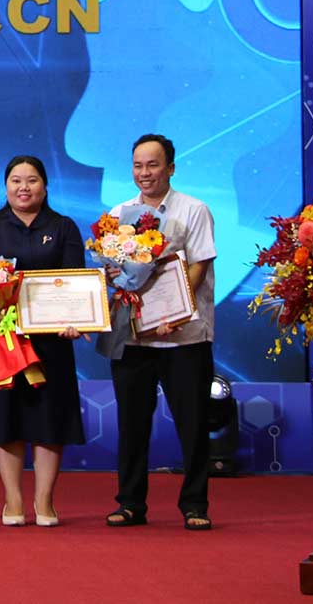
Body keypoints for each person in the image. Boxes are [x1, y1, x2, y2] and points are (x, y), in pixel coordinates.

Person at [101, 133, 218, 531]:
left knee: (192, 422)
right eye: (138, 165)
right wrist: (110, 275)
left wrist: (176, 312)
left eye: (153, 165)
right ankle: (130, 503)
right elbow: (113, 271)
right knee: (132, 423)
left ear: (170, 168)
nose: (145, 173)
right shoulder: (119, 213)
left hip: (183, 336)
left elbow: (199, 264)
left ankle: (195, 504)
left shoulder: (194, 210)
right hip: (134, 336)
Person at [0, 155, 86, 527]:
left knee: (49, 417)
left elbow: (75, 282)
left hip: (51, 341)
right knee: (6, 416)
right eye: (16, 180)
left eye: (32, 180)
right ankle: (13, 499)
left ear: (45, 186)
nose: (23, 187)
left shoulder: (63, 227)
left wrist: (76, 319)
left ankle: (44, 500)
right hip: (2, 338)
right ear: (6, 186)